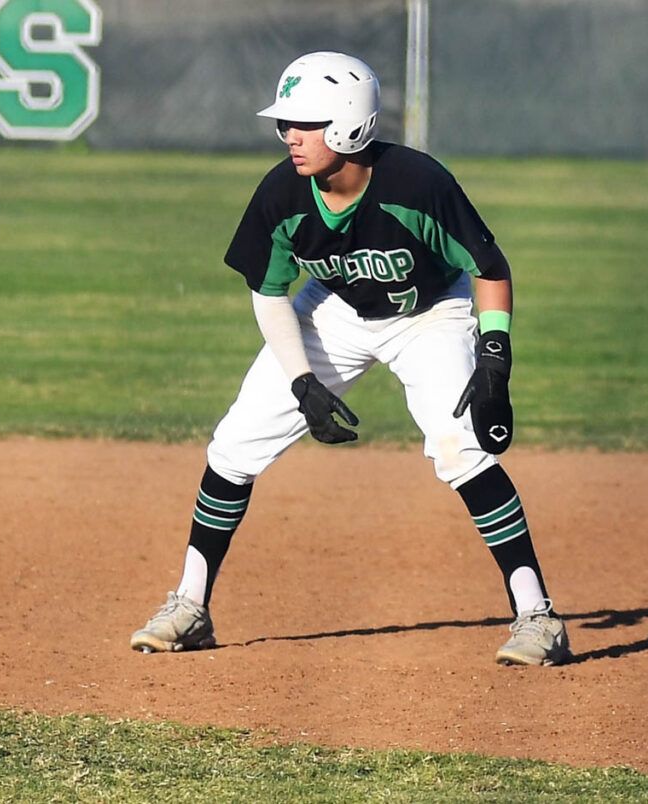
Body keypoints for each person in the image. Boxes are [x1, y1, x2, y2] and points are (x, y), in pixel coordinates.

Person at [130, 51, 571, 666]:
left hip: (428, 313)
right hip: (333, 310)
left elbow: (490, 269)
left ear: (349, 124)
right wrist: (302, 381)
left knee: (461, 449)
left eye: (305, 123)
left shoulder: (417, 184)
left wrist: (495, 356)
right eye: (285, 123)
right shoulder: (282, 194)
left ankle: (538, 617)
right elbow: (269, 293)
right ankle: (190, 606)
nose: (290, 135)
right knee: (233, 447)